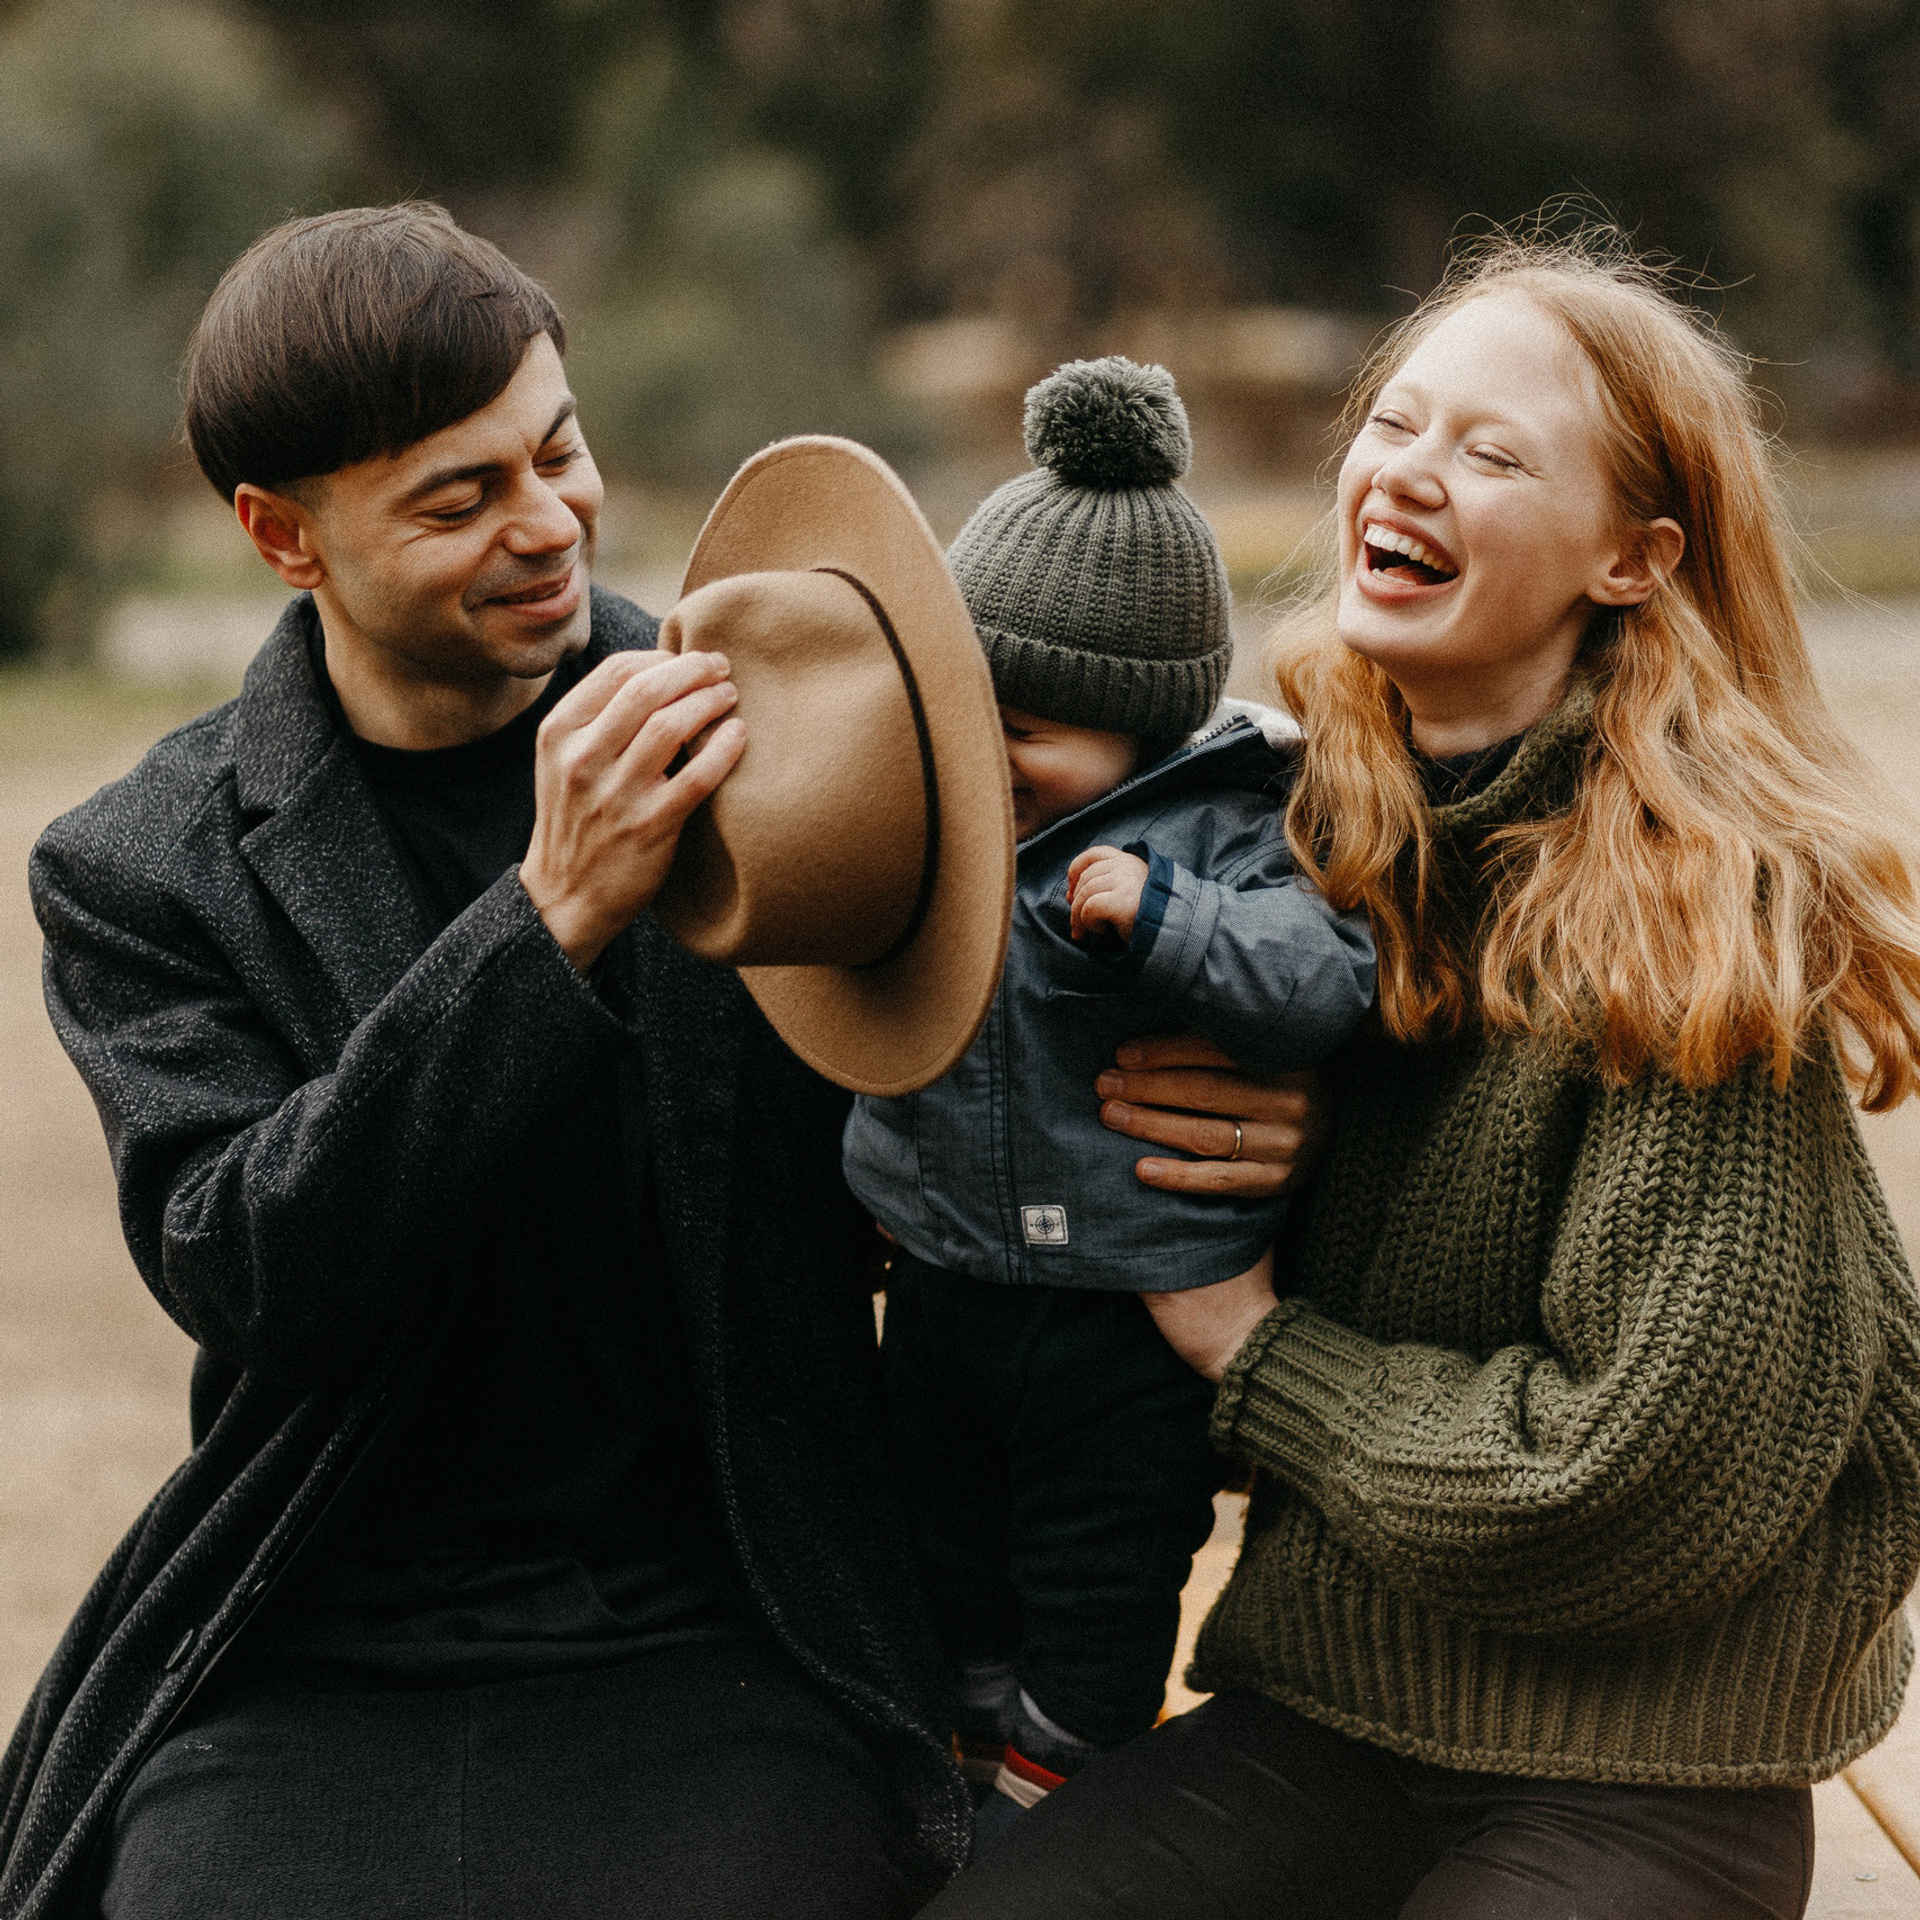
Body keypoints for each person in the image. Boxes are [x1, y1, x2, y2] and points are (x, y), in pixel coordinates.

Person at [2, 204, 1315, 1919]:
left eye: (558, 449)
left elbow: (1006, 1055)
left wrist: (1237, 1112)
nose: (549, 523)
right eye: (459, 498)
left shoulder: (782, 737)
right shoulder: (142, 867)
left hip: (730, 1604)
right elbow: (258, 1273)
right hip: (316, 1625)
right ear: (282, 534)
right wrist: (544, 921)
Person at [920, 230, 1920, 1920]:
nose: (1408, 470)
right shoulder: (1285, 858)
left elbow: (1635, 1494)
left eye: (1492, 450)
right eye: (1395, 421)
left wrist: (1256, 1337)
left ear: (1633, 557)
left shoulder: (1702, 920)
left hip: (1646, 1769)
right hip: (1332, 1715)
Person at [844, 358, 1374, 1843]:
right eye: (969, 710)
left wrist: (1166, 923)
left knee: (1102, 1582)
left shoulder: (1234, 824)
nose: (987, 751)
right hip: (947, 1287)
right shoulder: (940, 803)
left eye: (1028, 725)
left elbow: (1322, 978)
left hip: (1127, 1320)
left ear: (1138, 720)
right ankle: (965, 1762)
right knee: (945, 1558)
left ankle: (1052, 1793)